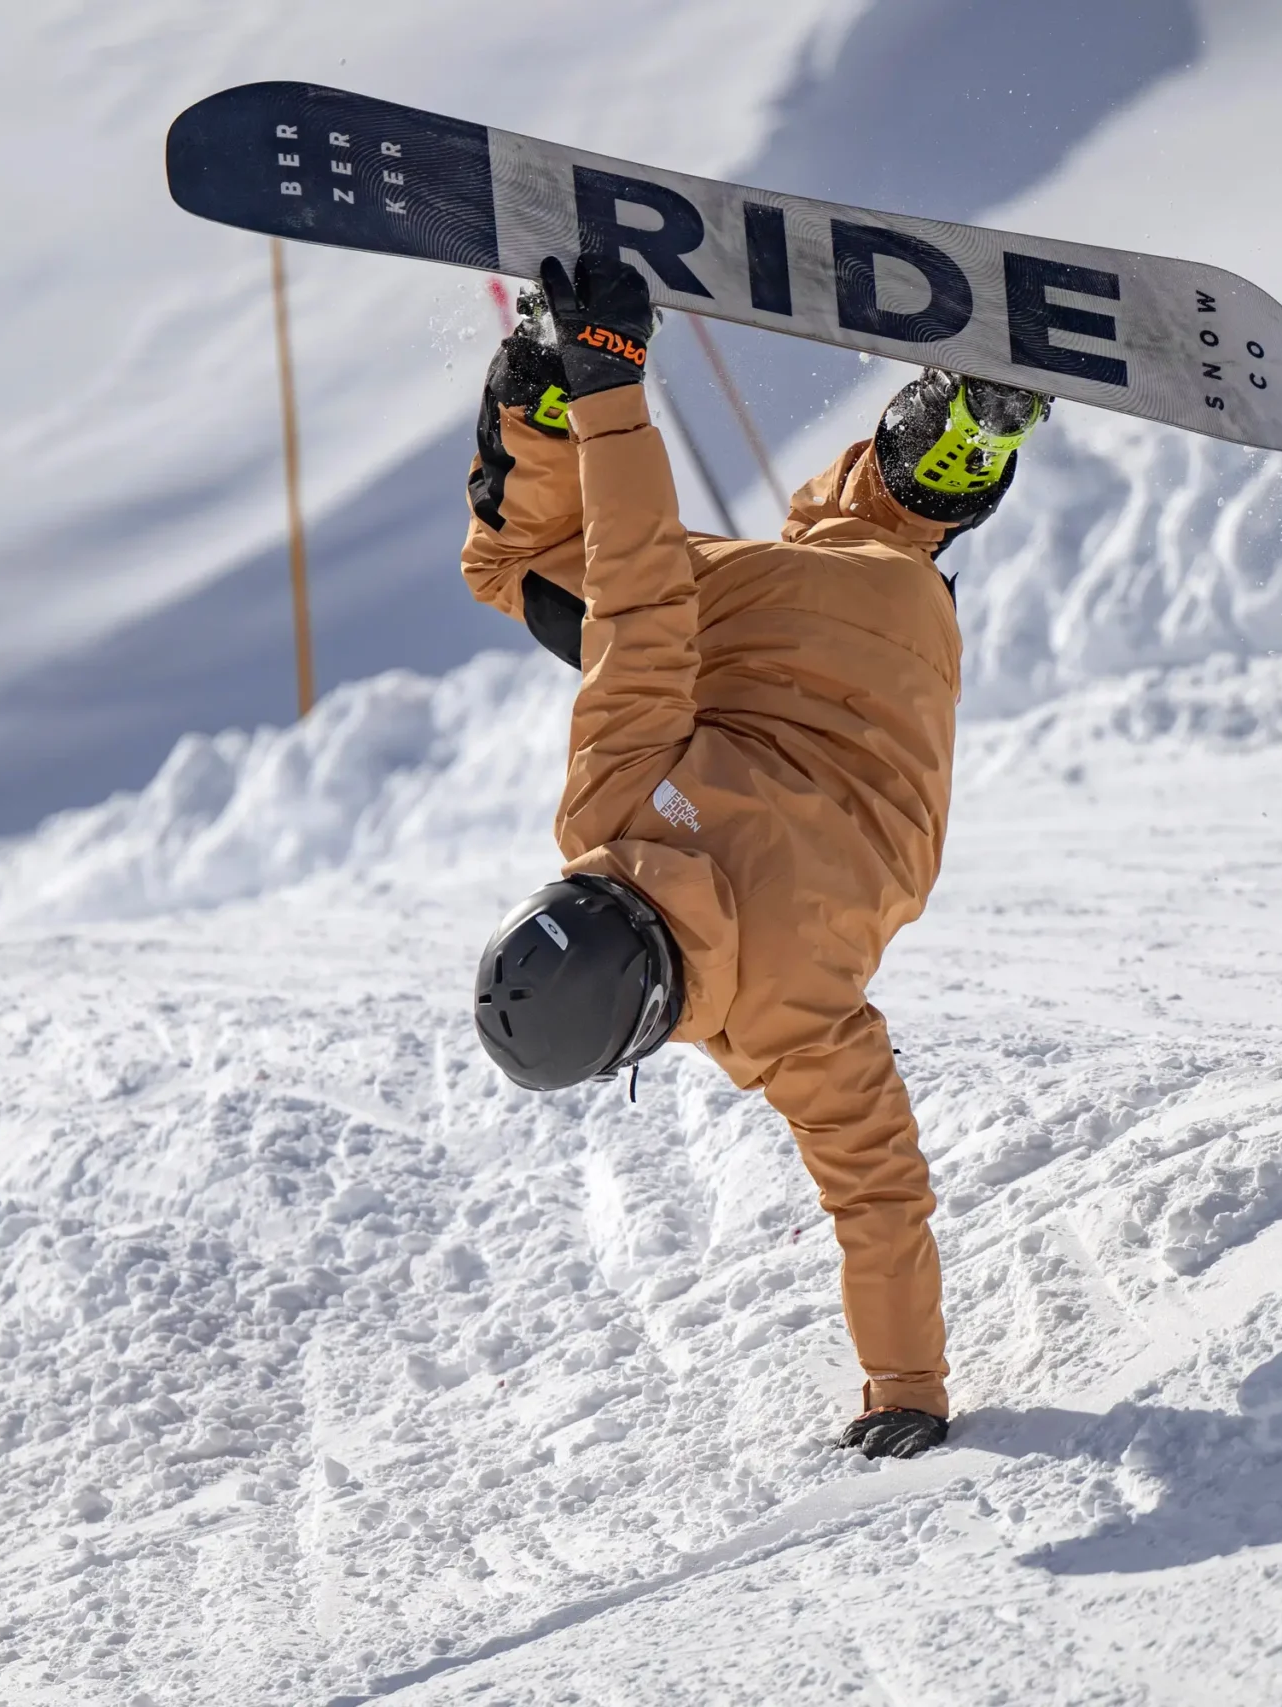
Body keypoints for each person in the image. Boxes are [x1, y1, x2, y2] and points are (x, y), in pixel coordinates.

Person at [459, 254, 1046, 1460]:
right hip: (772, 619)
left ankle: (944, 459)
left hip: (906, 649)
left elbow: (878, 1198)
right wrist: (608, 379)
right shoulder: (606, 816)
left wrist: (906, 1390)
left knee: (861, 548)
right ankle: (546, 374)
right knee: (514, 567)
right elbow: (633, 601)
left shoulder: (784, 1021)